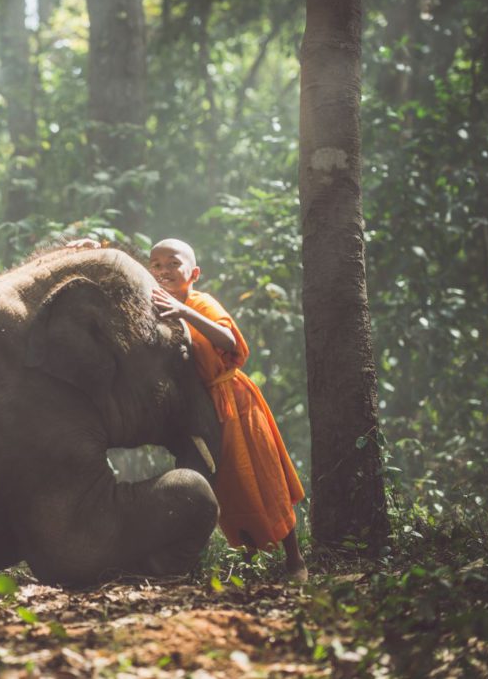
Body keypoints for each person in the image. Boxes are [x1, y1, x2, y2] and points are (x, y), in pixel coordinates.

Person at [68, 237, 308, 581]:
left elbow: (233, 343)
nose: (164, 271)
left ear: (193, 272)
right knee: (220, 483)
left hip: (232, 399)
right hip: (192, 408)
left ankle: (295, 560)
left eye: (173, 264)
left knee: (261, 476)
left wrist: (186, 312)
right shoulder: (151, 303)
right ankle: (228, 558)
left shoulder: (200, 302)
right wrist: (95, 248)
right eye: (157, 265)